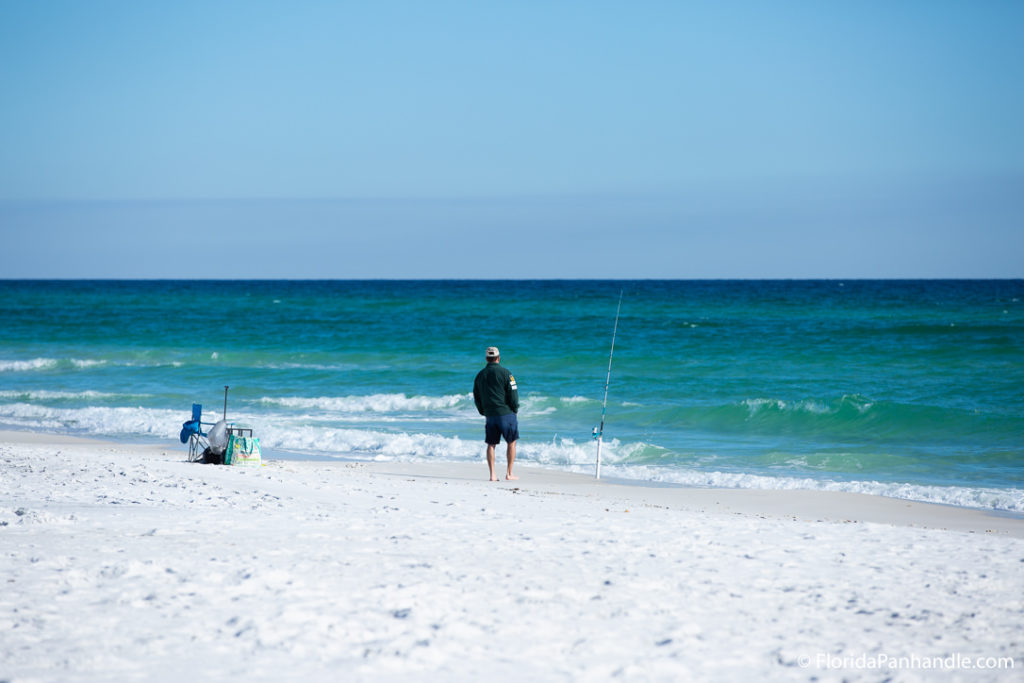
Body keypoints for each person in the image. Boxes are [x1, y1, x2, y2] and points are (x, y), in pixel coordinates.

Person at [473, 346, 519, 481]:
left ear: (487, 358)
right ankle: (509, 473)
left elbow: (476, 395)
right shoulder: (507, 373)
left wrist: (482, 410)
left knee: (491, 444)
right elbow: (513, 393)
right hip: (506, 413)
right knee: (511, 442)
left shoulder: (480, 375)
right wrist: (514, 409)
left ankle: (492, 475)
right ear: (498, 358)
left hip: (490, 414)